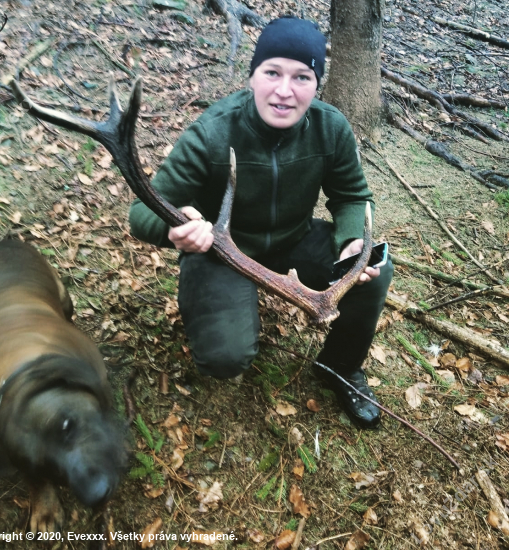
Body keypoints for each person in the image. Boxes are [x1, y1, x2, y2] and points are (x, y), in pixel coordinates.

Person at [129, 16, 393, 429]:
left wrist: (351, 242)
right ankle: (216, 309)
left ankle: (340, 368)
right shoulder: (212, 133)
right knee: (223, 359)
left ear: (316, 84)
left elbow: (352, 197)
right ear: (252, 76)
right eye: (272, 72)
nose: (284, 91)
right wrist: (178, 226)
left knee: (373, 269)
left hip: (294, 239)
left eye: (302, 77)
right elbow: (142, 212)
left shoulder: (331, 128)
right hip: (220, 253)